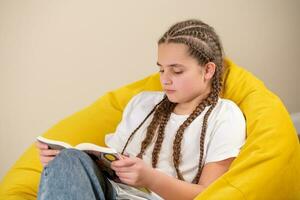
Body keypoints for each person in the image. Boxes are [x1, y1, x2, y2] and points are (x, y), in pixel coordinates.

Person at [36, 19, 246, 200]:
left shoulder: (225, 116)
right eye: (161, 69)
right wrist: (64, 162)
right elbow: (111, 164)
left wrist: (151, 179)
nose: (165, 79)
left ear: (208, 70)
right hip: (109, 191)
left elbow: (210, 194)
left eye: (177, 70)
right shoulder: (142, 103)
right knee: (69, 161)